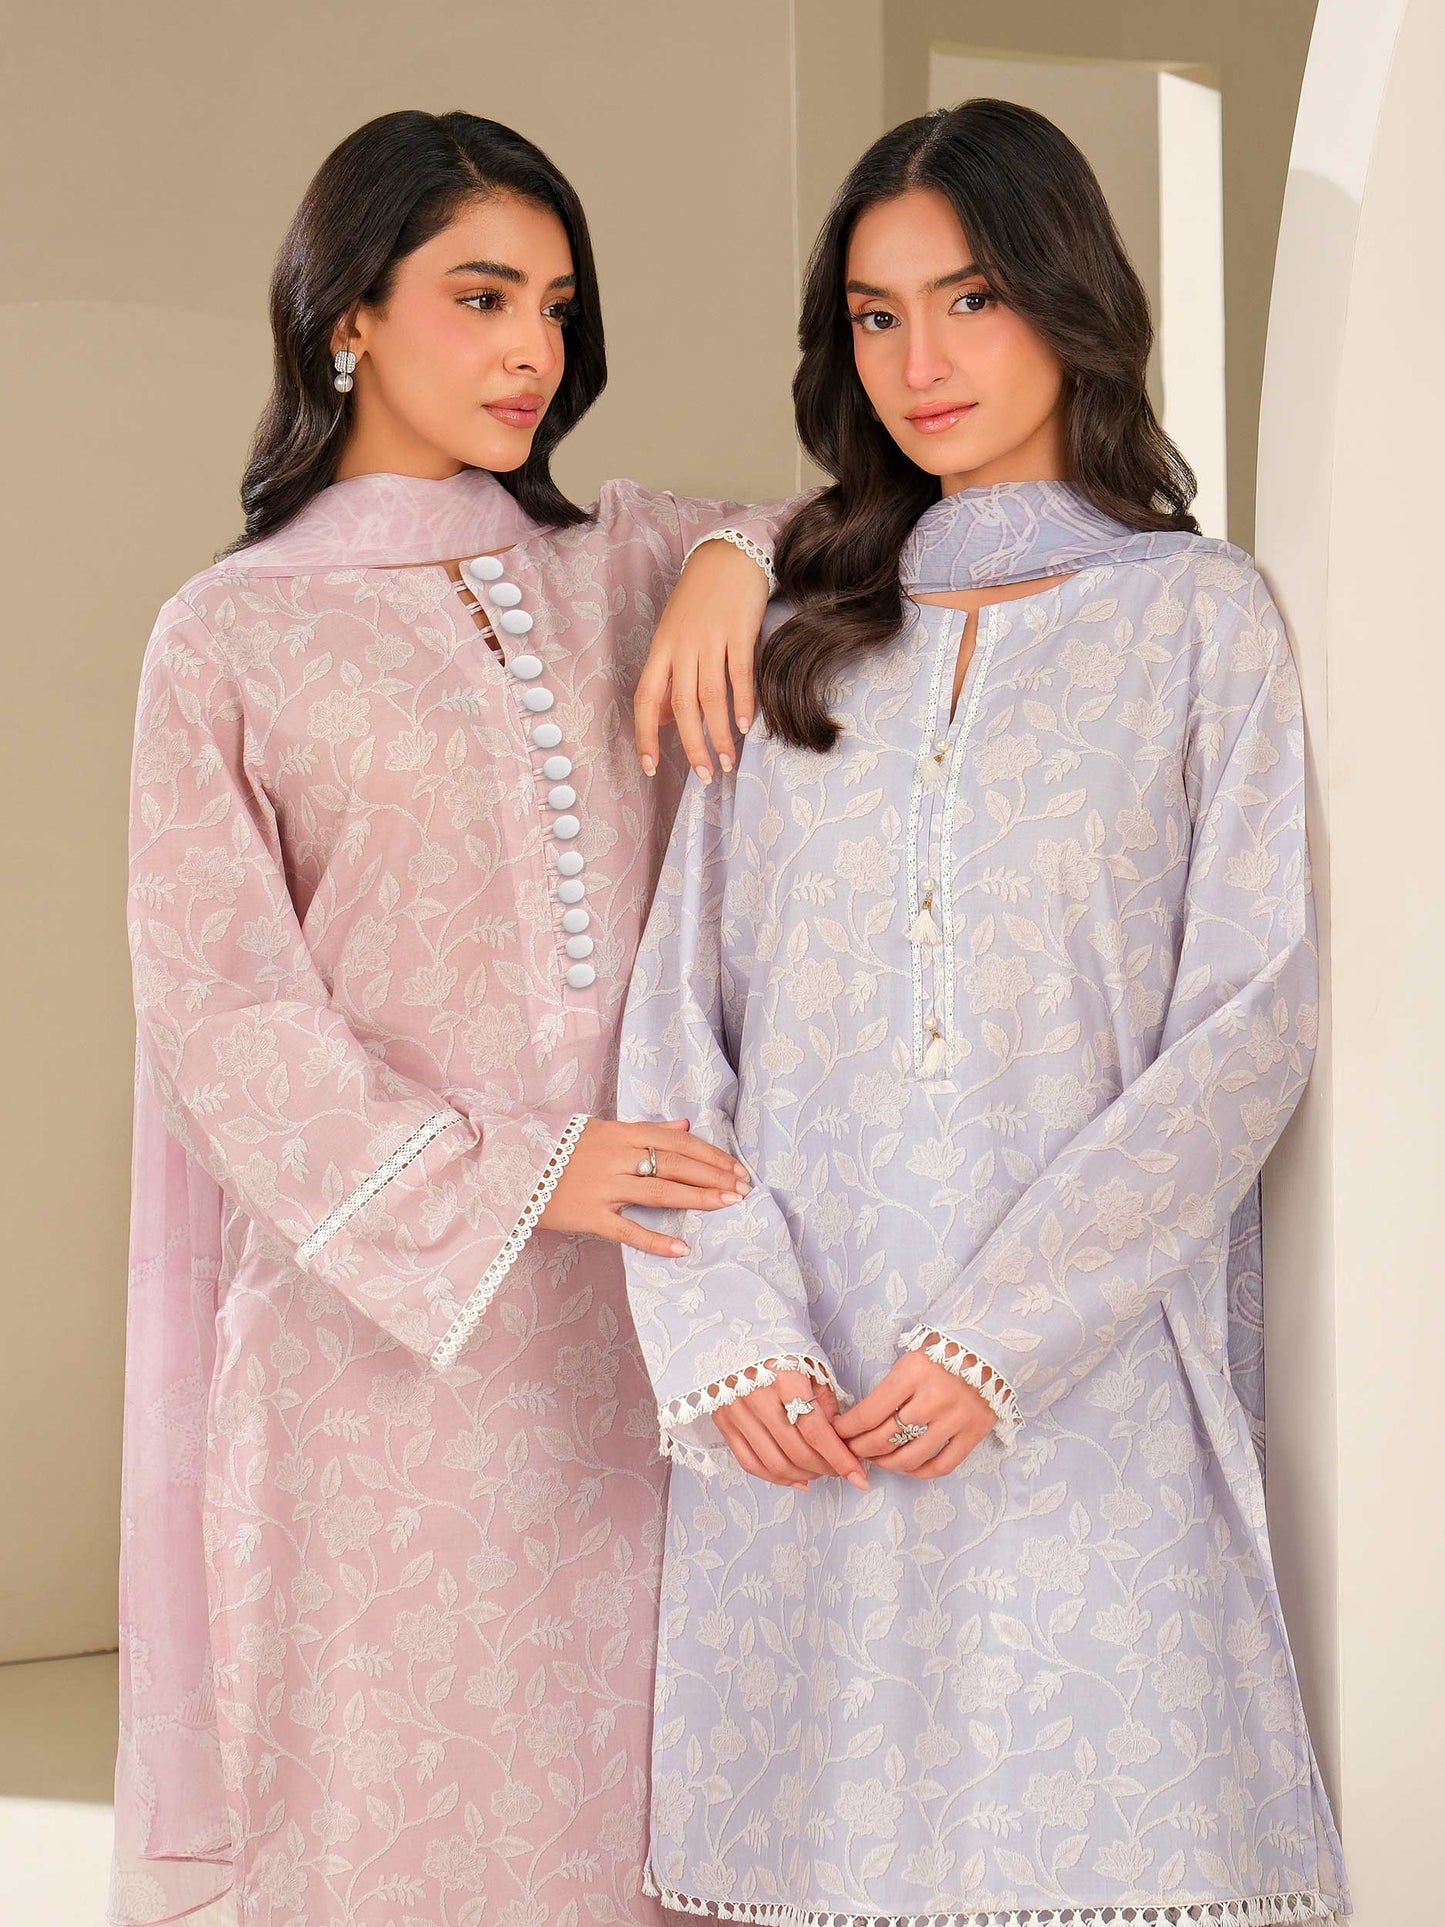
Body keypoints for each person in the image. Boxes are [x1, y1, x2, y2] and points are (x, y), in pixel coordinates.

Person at [620, 100, 1350, 1924]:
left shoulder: (1196, 621)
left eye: (969, 299)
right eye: (875, 318)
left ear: (1065, 296)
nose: (920, 364)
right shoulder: (792, 634)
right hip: (804, 1394)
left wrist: (999, 1339)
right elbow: (676, 1032)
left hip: (1073, 1378)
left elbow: (1245, 1021)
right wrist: (736, 1339)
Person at [111, 109, 797, 1927]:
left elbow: (858, 527)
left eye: (556, 308)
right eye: (480, 297)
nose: (530, 352)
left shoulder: (623, 563)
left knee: (648, 1801)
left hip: (650, 1313)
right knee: (400, 1815)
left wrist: (737, 558)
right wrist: (516, 1174)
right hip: (381, 1337)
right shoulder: (230, 637)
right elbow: (221, 1011)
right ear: (347, 315)